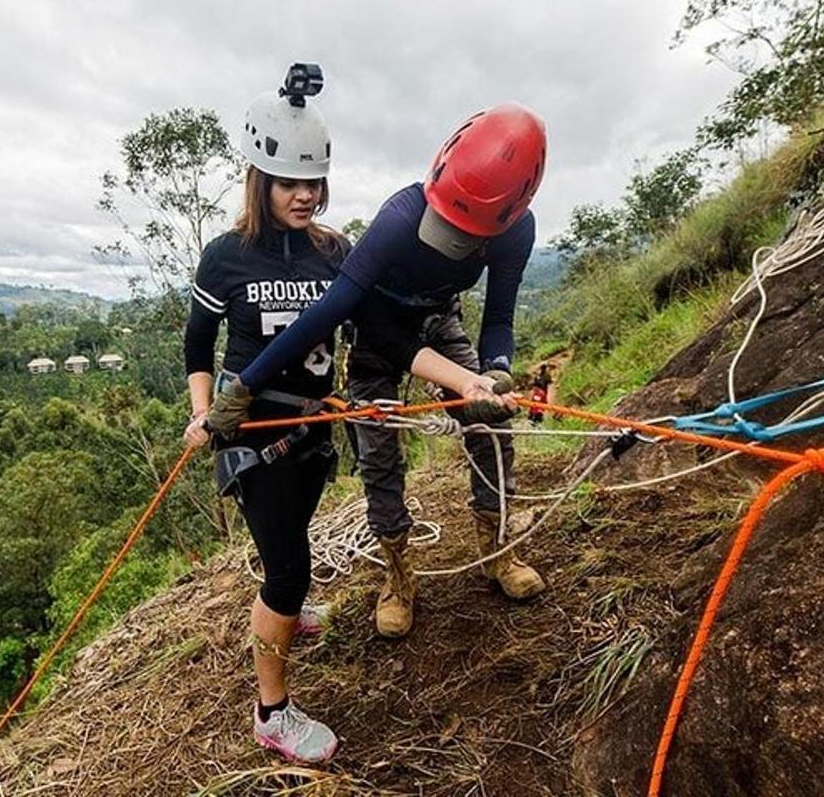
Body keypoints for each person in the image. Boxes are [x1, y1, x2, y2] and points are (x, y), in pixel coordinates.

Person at [206, 103, 550, 639]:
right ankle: (397, 573)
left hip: (439, 320)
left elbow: (499, 318)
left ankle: (499, 549)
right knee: (378, 446)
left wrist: (496, 372)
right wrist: (248, 382)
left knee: (490, 426)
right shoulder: (399, 219)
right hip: (376, 326)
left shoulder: (515, 232)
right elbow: (332, 310)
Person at [182, 64, 345, 764]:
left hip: (314, 427)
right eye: (290, 184)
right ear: (260, 181)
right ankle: (271, 713)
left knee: (296, 536)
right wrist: (203, 415)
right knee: (285, 570)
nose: (305, 196)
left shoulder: (334, 252)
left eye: (314, 183)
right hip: (252, 435)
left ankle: (290, 604)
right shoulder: (227, 257)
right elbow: (197, 344)